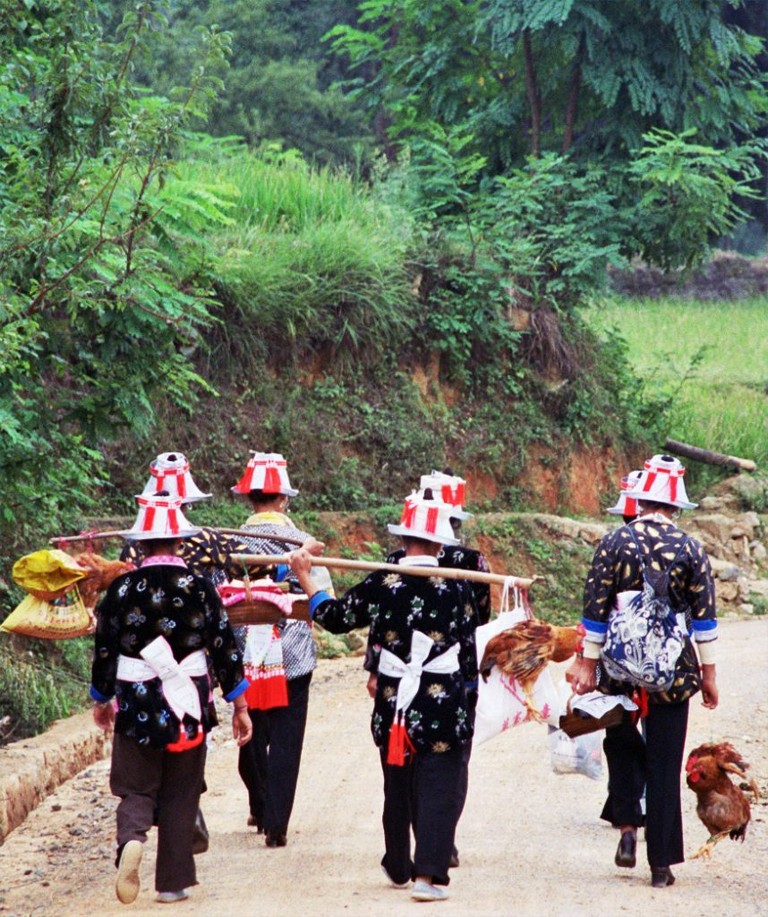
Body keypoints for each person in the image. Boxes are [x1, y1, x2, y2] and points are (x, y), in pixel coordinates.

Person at [290, 491, 478, 903]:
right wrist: (467, 691)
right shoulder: (460, 585)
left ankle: (397, 864)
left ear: (405, 538)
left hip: (396, 702)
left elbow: (336, 618)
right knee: (440, 782)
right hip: (442, 700)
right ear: (440, 542)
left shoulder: (382, 579)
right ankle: (428, 876)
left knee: (397, 778)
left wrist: (307, 578)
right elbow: (467, 647)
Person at [90, 492, 252, 905]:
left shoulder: (121, 589)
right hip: (189, 704)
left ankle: (131, 837)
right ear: (180, 542)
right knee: (182, 791)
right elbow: (224, 646)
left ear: (140, 545)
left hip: (136, 701)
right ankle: (172, 883)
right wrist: (240, 705)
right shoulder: (200, 587)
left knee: (135, 786)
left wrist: (101, 698)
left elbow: (105, 647)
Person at [569, 454, 719, 888]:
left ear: (642, 499)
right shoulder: (691, 549)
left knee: (620, 741)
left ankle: (628, 827)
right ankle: (661, 865)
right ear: (675, 505)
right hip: (673, 673)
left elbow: (595, 612)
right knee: (666, 759)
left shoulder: (613, 543)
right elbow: (704, 622)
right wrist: (708, 675)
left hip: (617, 670)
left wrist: (588, 664)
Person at [387, 468, 489, 868]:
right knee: (451, 762)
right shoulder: (469, 564)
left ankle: (417, 839)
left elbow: (383, 624)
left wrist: (374, 669)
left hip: (398, 675)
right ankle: (442, 840)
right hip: (454, 676)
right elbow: (479, 622)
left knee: (405, 759)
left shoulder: (395, 563)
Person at [231, 451, 328, 848]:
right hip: (293, 656)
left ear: (249, 498)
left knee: (250, 726)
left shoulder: (230, 543)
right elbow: (323, 596)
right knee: (288, 735)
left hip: (245, 654)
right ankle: (277, 823)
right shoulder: (304, 545)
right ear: (284, 499)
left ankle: (258, 801)